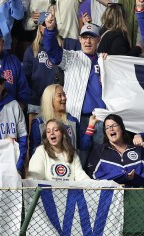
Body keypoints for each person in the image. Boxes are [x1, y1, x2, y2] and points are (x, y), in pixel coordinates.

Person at [43, 13, 106, 145]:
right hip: (76, 118)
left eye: (92, 38)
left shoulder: (105, 60)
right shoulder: (71, 57)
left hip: (100, 119)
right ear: (79, 39)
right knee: (77, 158)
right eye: (84, 37)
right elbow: (52, 50)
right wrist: (49, 30)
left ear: (98, 40)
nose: (87, 41)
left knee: (98, 159)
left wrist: (108, 62)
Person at [84, 114, 144, 187]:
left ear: (121, 128)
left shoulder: (138, 150)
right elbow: (93, 178)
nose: (111, 129)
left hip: (139, 195)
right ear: (105, 132)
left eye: (114, 125)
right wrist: (122, 177)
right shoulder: (98, 151)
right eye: (107, 127)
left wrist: (134, 178)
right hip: (110, 195)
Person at [29, 84, 82, 161]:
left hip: (70, 168)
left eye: (64, 95)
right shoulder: (39, 123)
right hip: (48, 169)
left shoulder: (73, 121)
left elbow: (83, 146)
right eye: (60, 95)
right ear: (50, 100)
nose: (64, 98)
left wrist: (91, 126)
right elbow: (34, 152)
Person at [27, 119, 92, 181]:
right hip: (47, 192)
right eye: (48, 131)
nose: (51, 133)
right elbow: (35, 176)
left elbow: (81, 176)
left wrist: (94, 184)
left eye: (56, 130)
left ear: (63, 134)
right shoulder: (41, 151)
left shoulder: (72, 153)